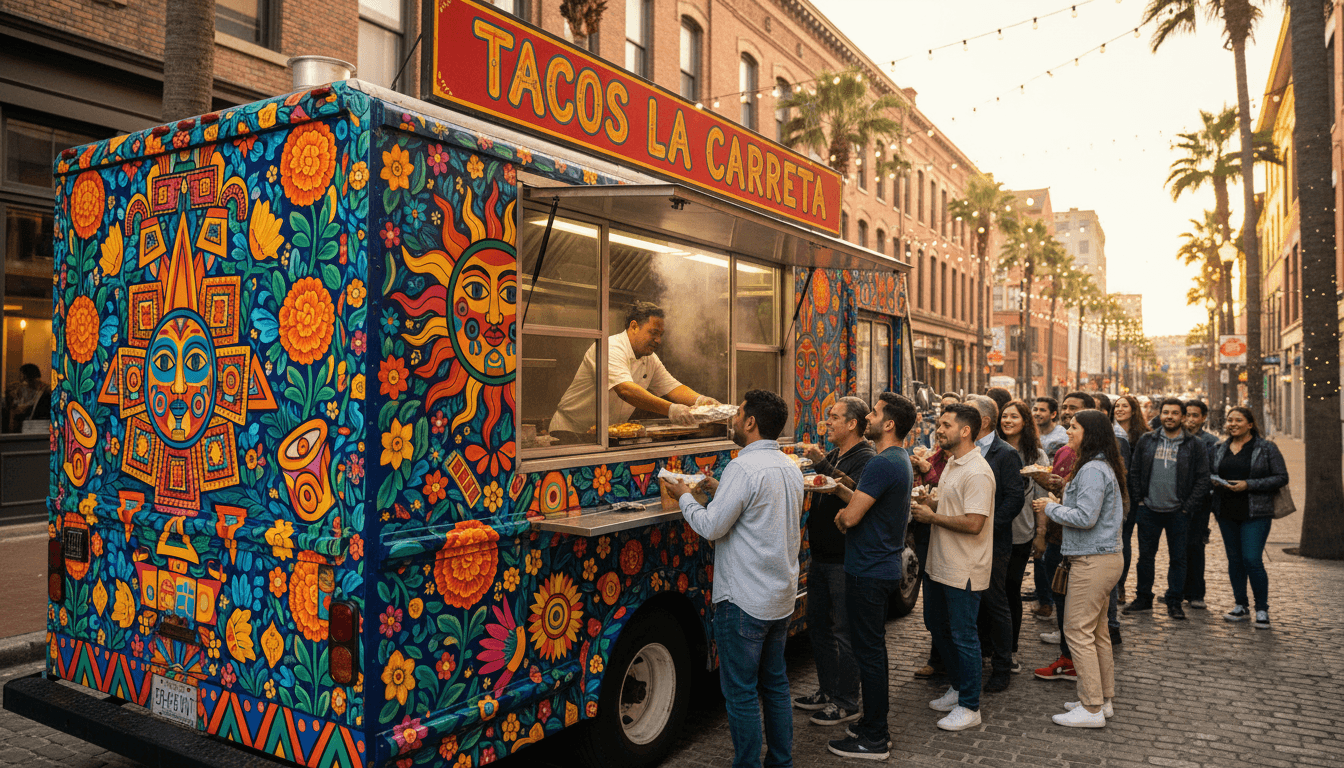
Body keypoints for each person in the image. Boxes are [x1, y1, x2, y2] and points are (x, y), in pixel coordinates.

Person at [662, 390, 802, 768]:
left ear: (751, 422)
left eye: (738, 413)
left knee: (740, 693)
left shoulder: (743, 467)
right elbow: (760, 511)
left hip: (743, 600)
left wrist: (683, 497)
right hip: (779, 597)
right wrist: (717, 489)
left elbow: (711, 526)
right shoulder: (789, 466)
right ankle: (780, 761)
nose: (734, 420)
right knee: (774, 685)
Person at [823, 393, 917, 760]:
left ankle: (875, 736)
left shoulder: (882, 462)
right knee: (871, 650)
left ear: (889, 423)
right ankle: (871, 725)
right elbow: (866, 498)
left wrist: (844, 517)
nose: (870, 418)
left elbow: (852, 516)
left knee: (870, 654)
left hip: (869, 570)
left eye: (875, 413)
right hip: (880, 567)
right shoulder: (896, 460)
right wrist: (842, 490)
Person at [1031, 409, 1127, 728]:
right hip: (1101, 557)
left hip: (1093, 559)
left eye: (1073, 426)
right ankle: (1102, 699)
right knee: (1096, 632)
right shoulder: (1097, 466)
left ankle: (1091, 707)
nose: (1067, 430)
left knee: (1076, 630)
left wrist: (1050, 507)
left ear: (1091, 432)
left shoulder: (1092, 469)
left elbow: (1085, 517)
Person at [911, 404, 995, 732]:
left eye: (946, 424)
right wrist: (930, 503)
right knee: (937, 625)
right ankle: (959, 687)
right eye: (939, 423)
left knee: (964, 636)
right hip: (939, 564)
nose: (938, 429)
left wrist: (933, 517)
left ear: (965, 431)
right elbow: (951, 505)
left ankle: (970, 706)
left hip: (965, 568)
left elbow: (975, 523)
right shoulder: (950, 463)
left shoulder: (977, 470)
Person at [792, 397, 875, 726]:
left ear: (852, 424)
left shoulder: (865, 457)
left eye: (834, 417)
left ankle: (846, 700)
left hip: (844, 557)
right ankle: (828, 691)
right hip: (822, 556)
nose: (827, 422)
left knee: (843, 631)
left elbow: (854, 490)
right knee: (820, 627)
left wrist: (820, 464)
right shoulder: (836, 454)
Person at [550, 302, 718, 441]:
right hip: (570, 432)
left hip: (607, 435)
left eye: (661, 334)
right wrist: (671, 410)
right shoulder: (610, 348)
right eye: (653, 333)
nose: (658, 340)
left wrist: (700, 400)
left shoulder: (649, 358)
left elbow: (672, 387)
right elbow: (625, 390)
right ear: (634, 326)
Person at [1124, 398, 1210, 620]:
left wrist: (1187, 507)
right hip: (1149, 509)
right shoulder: (1147, 440)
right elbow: (1134, 472)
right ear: (1159, 415)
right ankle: (1143, 598)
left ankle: (1174, 601)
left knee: (1178, 559)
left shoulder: (1194, 444)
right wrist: (1139, 500)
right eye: (1165, 412)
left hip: (1178, 513)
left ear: (1182, 416)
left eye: (1174, 413)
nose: (1169, 417)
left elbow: (1203, 479)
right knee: (1145, 558)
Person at [964, 395, 1024, 693]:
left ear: (984, 421)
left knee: (995, 602)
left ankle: (1002, 666)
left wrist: (989, 526)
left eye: (969, 412)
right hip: (965, 541)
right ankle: (979, 656)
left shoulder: (1005, 454)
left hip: (994, 543)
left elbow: (1015, 498)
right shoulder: (965, 449)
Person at [1211, 406, 1287, 629]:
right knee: (1235, 560)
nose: (1232, 424)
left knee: (1252, 559)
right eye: (1229, 420)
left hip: (1256, 513)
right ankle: (1240, 605)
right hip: (1226, 512)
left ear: (1250, 424)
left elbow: (1281, 477)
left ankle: (1262, 609)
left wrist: (1248, 485)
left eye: (1238, 420)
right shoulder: (1219, 448)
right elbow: (1210, 472)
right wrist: (1215, 481)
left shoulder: (1266, 448)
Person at [997, 400, 1048, 668]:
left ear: (1025, 422)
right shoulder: (991, 450)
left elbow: (1041, 499)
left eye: (1013, 417)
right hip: (992, 532)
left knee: (1011, 590)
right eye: (1004, 416)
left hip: (1021, 532)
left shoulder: (1037, 456)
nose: (1007, 420)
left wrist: (1040, 533)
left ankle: (1011, 648)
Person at [1182, 400, 1219, 610]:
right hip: (1176, 502)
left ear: (1203, 418)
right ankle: (1177, 590)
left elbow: (1213, 472)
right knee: (1178, 548)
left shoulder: (1211, 442)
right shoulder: (1174, 438)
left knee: (1195, 546)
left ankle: (1196, 593)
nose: (1190, 420)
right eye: (1186, 415)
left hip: (1200, 504)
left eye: (1195, 415)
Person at [1113, 394, 1149, 604]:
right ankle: (1115, 584)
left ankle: (1121, 585)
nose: (1119, 409)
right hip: (1114, 492)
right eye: (1117, 406)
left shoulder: (1143, 436)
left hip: (1133, 495)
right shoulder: (1108, 433)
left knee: (1125, 540)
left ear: (1134, 410)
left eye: (1124, 406)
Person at [5, 363, 49, 433]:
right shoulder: (17, 389)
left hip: (37, 426)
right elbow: (17, 409)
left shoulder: (45, 390)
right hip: (22, 426)